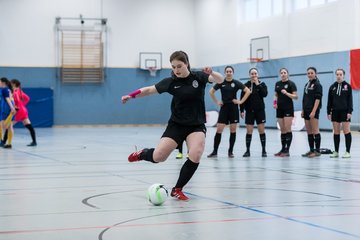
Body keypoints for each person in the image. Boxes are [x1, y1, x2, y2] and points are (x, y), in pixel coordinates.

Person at [121, 51, 224, 201]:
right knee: (158, 157)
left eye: (179, 66)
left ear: (187, 64)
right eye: (174, 67)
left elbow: (220, 80)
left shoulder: (199, 77)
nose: (176, 70)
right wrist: (131, 95)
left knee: (196, 153)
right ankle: (143, 154)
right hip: (176, 125)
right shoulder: (171, 82)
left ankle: (177, 189)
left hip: (196, 126)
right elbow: (149, 90)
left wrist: (212, 72)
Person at [207, 66, 250, 158]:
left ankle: (230, 152)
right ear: (225, 73)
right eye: (227, 71)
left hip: (233, 109)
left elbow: (248, 91)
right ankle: (215, 151)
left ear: (232, 72)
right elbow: (211, 92)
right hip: (224, 108)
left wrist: (241, 101)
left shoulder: (236, 83)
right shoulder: (221, 82)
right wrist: (217, 101)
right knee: (219, 130)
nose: (229, 72)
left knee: (233, 130)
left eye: (230, 71)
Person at [240, 68, 268, 157]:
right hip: (249, 111)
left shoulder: (262, 84)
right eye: (252, 74)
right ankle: (247, 151)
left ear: (258, 75)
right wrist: (241, 110)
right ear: (249, 75)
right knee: (249, 131)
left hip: (260, 111)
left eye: (255, 73)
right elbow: (242, 99)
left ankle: (264, 150)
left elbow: (264, 94)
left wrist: (257, 84)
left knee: (261, 131)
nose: (254, 75)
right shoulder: (245, 85)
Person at [327, 69, 353, 158]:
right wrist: (328, 112)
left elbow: (350, 100)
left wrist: (350, 111)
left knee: (346, 131)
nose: (338, 76)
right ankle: (336, 151)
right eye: (337, 74)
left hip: (345, 112)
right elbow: (329, 101)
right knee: (336, 132)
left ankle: (347, 151)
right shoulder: (332, 87)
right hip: (335, 112)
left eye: (340, 74)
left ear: (343, 75)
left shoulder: (348, 86)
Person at [273, 68, 298, 157]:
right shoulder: (278, 84)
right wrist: (275, 103)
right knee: (282, 129)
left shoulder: (291, 84)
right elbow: (275, 95)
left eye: (284, 73)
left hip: (288, 108)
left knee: (288, 129)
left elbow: (296, 97)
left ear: (287, 74)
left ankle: (287, 150)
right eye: (281, 73)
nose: (283, 74)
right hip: (279, 109)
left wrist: (287, 93)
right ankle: (283, 149)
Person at [301, 67, 323, 158]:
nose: (310, 74)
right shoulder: (307, 84)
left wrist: (313, 111)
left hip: (313, 111)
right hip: (306, 110)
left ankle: (317, 151)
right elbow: (304, 98)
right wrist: (302, 110)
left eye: (311, 73)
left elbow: (318, 99)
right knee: (309, 131)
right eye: (308, 73)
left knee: (315, 130)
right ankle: (311, 150)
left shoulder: (318, 85)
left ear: (315, 73)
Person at [11, 79, 37, 146]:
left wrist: (17, 106)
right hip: (23, 110)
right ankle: (34, 142)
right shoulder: (20, 91)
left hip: (18, 111)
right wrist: (22, 105)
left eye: (11, 83)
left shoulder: (15, 92)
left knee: (8, 126)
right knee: (29, 126)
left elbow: (16, 100)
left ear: (14, 84)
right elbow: (27, 98)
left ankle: (4, 142)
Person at [0, 77, 16, 148]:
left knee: (4, 126)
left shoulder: (4, 89)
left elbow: (7, 99)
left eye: (0, 82)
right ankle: (9, 144)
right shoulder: (8, 89)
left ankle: (5, 142)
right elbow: (11, 99)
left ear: (3, 83)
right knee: (10, 126)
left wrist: (12, 108)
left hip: (6, 108)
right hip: (8, 107)